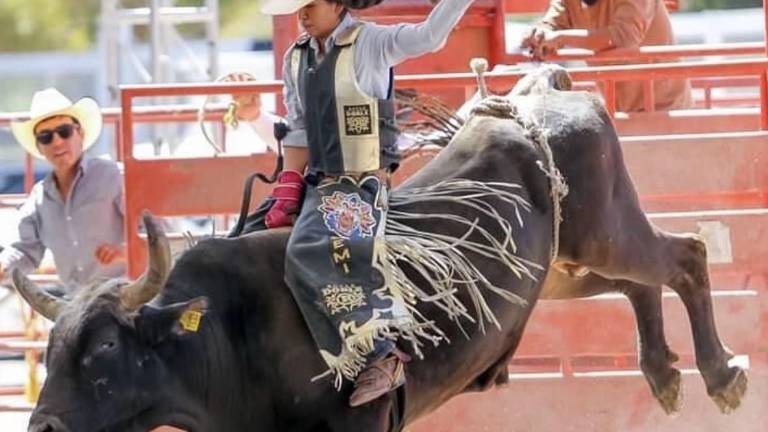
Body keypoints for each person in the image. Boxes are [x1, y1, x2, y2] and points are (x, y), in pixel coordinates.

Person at [255, 0, 477, 407]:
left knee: (306, 252)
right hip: (317, 183)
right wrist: (288, 184)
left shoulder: (371, 43)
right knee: (245, 242)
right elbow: (300, 128)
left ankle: (381, 354)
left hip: (360, 186)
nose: (301, 14)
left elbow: (428, 36)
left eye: (311, 4)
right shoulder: (296, 58)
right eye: (297, 7)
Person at [0, 88, 126, 295]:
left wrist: (126, 252)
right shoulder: (39, 198)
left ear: (80, 134)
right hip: (77, 305)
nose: (57, 142)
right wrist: (4, 265)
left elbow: (157, 236)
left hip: (124, 298)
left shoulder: (114, 176)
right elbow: (25, 250)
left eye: (64, 131)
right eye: (46, 137)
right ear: (39, 147)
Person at [521, 0, 692, 112]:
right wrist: (539, 34)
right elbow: (552, 24)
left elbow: (625, 36)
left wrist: (560, 38)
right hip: (617, 112)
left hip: (666, 111)